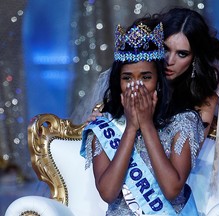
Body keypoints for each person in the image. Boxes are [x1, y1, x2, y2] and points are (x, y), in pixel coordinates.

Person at [79, 7, 219, 215]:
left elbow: (177, 178)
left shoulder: (193, 111)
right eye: (166, 49)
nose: (169, 61)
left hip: (181, 188)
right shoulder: (118, 112)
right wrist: (109, 125)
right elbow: (107, 190)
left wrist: (145, 124)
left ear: (194, 58)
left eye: (182, 54)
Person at [80, 19, 205, 215]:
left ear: (158, 81)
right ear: (117, 81)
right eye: (127, 78)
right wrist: (130, 128)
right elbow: (108, 192)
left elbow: (172, 190)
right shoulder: (103, 126)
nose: (136, 86)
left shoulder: (184, 121)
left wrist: (146, 125)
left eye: (146, 77)